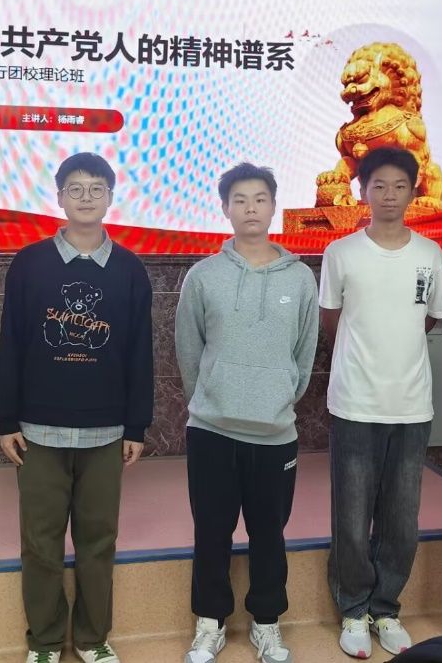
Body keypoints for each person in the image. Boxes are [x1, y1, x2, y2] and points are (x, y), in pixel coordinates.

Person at [0, 152, 154, 663]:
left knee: (98, 541)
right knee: (39, 543)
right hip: (38, 431)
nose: (86, 197)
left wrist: (136, 425)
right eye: (76, 188)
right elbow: (11, 343)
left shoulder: (129, 269)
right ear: (59, 196)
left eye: (96, 188)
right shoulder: (30, 263)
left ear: (110, 197)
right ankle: (43, 641)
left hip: (106, 432)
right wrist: (6, 419)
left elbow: (139, 353)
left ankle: (91, 637)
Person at [176, 163, 319, 663]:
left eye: (260, 199)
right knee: (211, 532)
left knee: (268, 536)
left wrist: (276, 396)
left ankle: (266, 623)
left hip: (275, 433)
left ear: (273, 206)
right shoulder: (203, 276)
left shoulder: (300, 279)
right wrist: (213, 398)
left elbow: (304, 354)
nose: (250, 208)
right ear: (225, 208)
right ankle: (209, 623)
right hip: (212, 430)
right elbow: (189, 351)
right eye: (240, 199)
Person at [319, 147, 442, 660]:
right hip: (354, 402)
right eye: (379, 186)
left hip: (411, 405)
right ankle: (353, 609)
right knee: (351, 515)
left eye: (399, 186)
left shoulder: (431, 255)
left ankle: (386, 608)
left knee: (401, 518)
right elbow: (332, 318)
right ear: (363, 191)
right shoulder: (341, 253)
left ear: (413, 192)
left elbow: (429, 318)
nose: (389, 195)